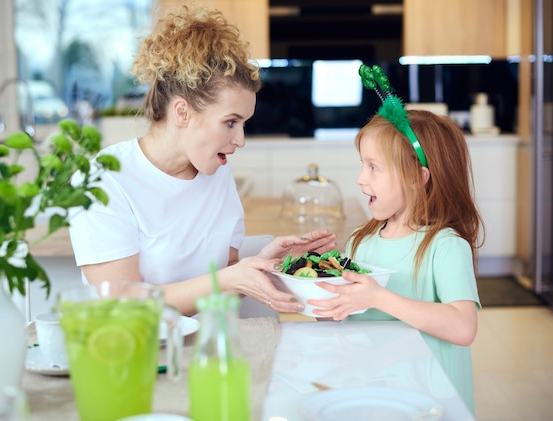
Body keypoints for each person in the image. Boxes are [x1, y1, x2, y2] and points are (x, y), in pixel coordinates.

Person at [68, 5, 337, 316]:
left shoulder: (216, 171)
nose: (240, 140)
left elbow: (223, 290)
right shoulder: (106, 180)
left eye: (244, 124)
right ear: (182, 112)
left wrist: (266, 264)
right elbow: (121, 306)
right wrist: (230, 279)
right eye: (231, 122)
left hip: (209, 347)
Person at [307, 66, 483, 414]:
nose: (360, 179)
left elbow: (463, 327)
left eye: (374, 167)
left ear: (418, 178)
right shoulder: (360, 241)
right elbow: (341, 315)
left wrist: (379, 297)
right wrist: (315, 282)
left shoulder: (445, 247)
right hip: (376, 396)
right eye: (362, 165)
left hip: (434, 405)